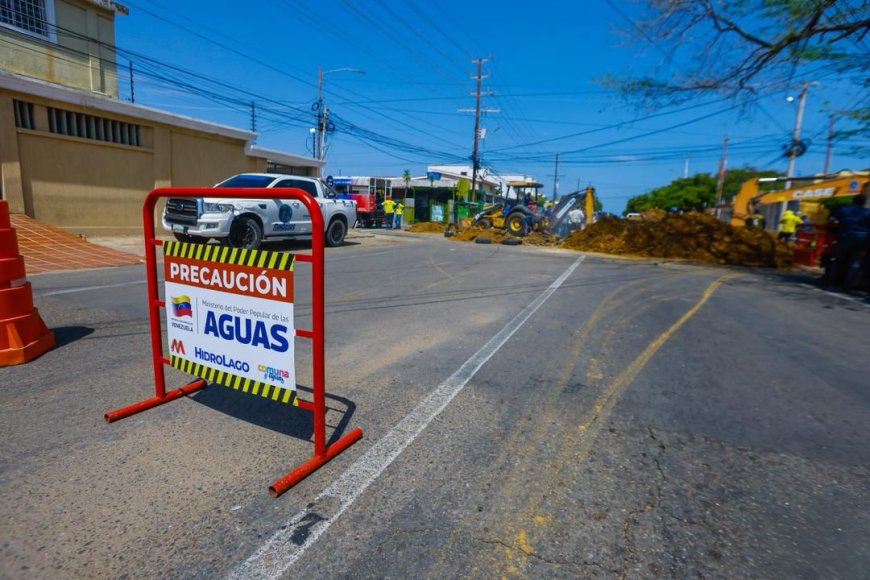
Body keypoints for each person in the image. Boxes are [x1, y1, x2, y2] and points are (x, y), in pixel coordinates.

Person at [830, 193, 870, 285]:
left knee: (839, 260)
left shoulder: (844, 210)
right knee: (855, 261)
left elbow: (832, 220)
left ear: (853, 201)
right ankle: (848, 285)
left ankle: (832, 282)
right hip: (862, 239)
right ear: (864, 202)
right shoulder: (868, 212)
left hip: (845, 237)